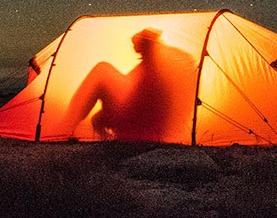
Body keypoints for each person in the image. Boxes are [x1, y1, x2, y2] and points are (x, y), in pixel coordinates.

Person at [66, 28, 198, 141]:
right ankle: (105, 139)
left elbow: (137, 98)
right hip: (142, 121)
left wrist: (107, 113)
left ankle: (65, 128)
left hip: (144, 125)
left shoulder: (160, 67)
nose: (136, 50)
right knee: (99, 113)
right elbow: (129, 92)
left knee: (102, 70)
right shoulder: (153, 65)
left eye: (138, 45)